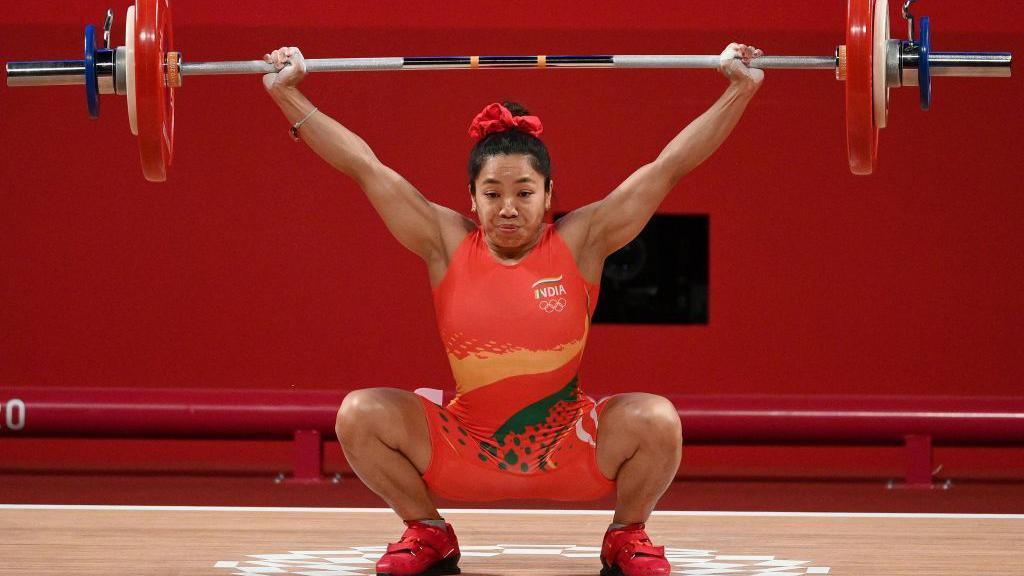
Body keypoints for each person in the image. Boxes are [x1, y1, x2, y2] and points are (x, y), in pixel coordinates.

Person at [263, 42, 764, 576]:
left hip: (571, 448)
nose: (507, 207)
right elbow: (363, 165)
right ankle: (427, 531)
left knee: (657, 420)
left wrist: (740, 89)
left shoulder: (582, 242)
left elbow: (670, 166)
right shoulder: (444, 241)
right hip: (465, 449)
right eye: (492, 192)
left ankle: (627, 536)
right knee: (359, 414)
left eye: (524, 192)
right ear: (471, 197)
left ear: (549, 196)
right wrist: (288, 95)